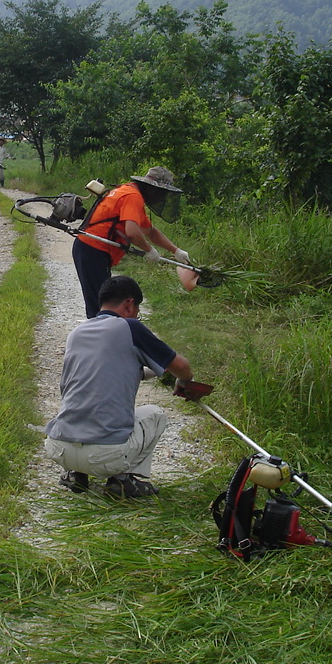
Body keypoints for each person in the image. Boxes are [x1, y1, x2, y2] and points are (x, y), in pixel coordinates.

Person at [43, 275, 196, 498]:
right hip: (104, 456)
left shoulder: (76, 333)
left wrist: (147, 372)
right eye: (137, 311)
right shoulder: (130, 327)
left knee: (80, 403)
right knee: (155, 414)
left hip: (59, 448)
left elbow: (97, 373)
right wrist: (184, 380)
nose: (136, 315)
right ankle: (122, 481)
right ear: (129, 304)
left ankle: (75, 474)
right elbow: (181, 366)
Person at [72, 166, 191, 318]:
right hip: (92, 249)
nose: (161, 197)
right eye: (161, 193)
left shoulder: (129, 192)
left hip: (94, 250)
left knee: (103, 301)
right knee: (100, 305)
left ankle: (105, 329)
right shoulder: (132, 196)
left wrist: (176, 251)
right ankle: (99, 331)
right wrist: (149, 250)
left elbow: (150, 231)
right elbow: (132, 232)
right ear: (152, 188)